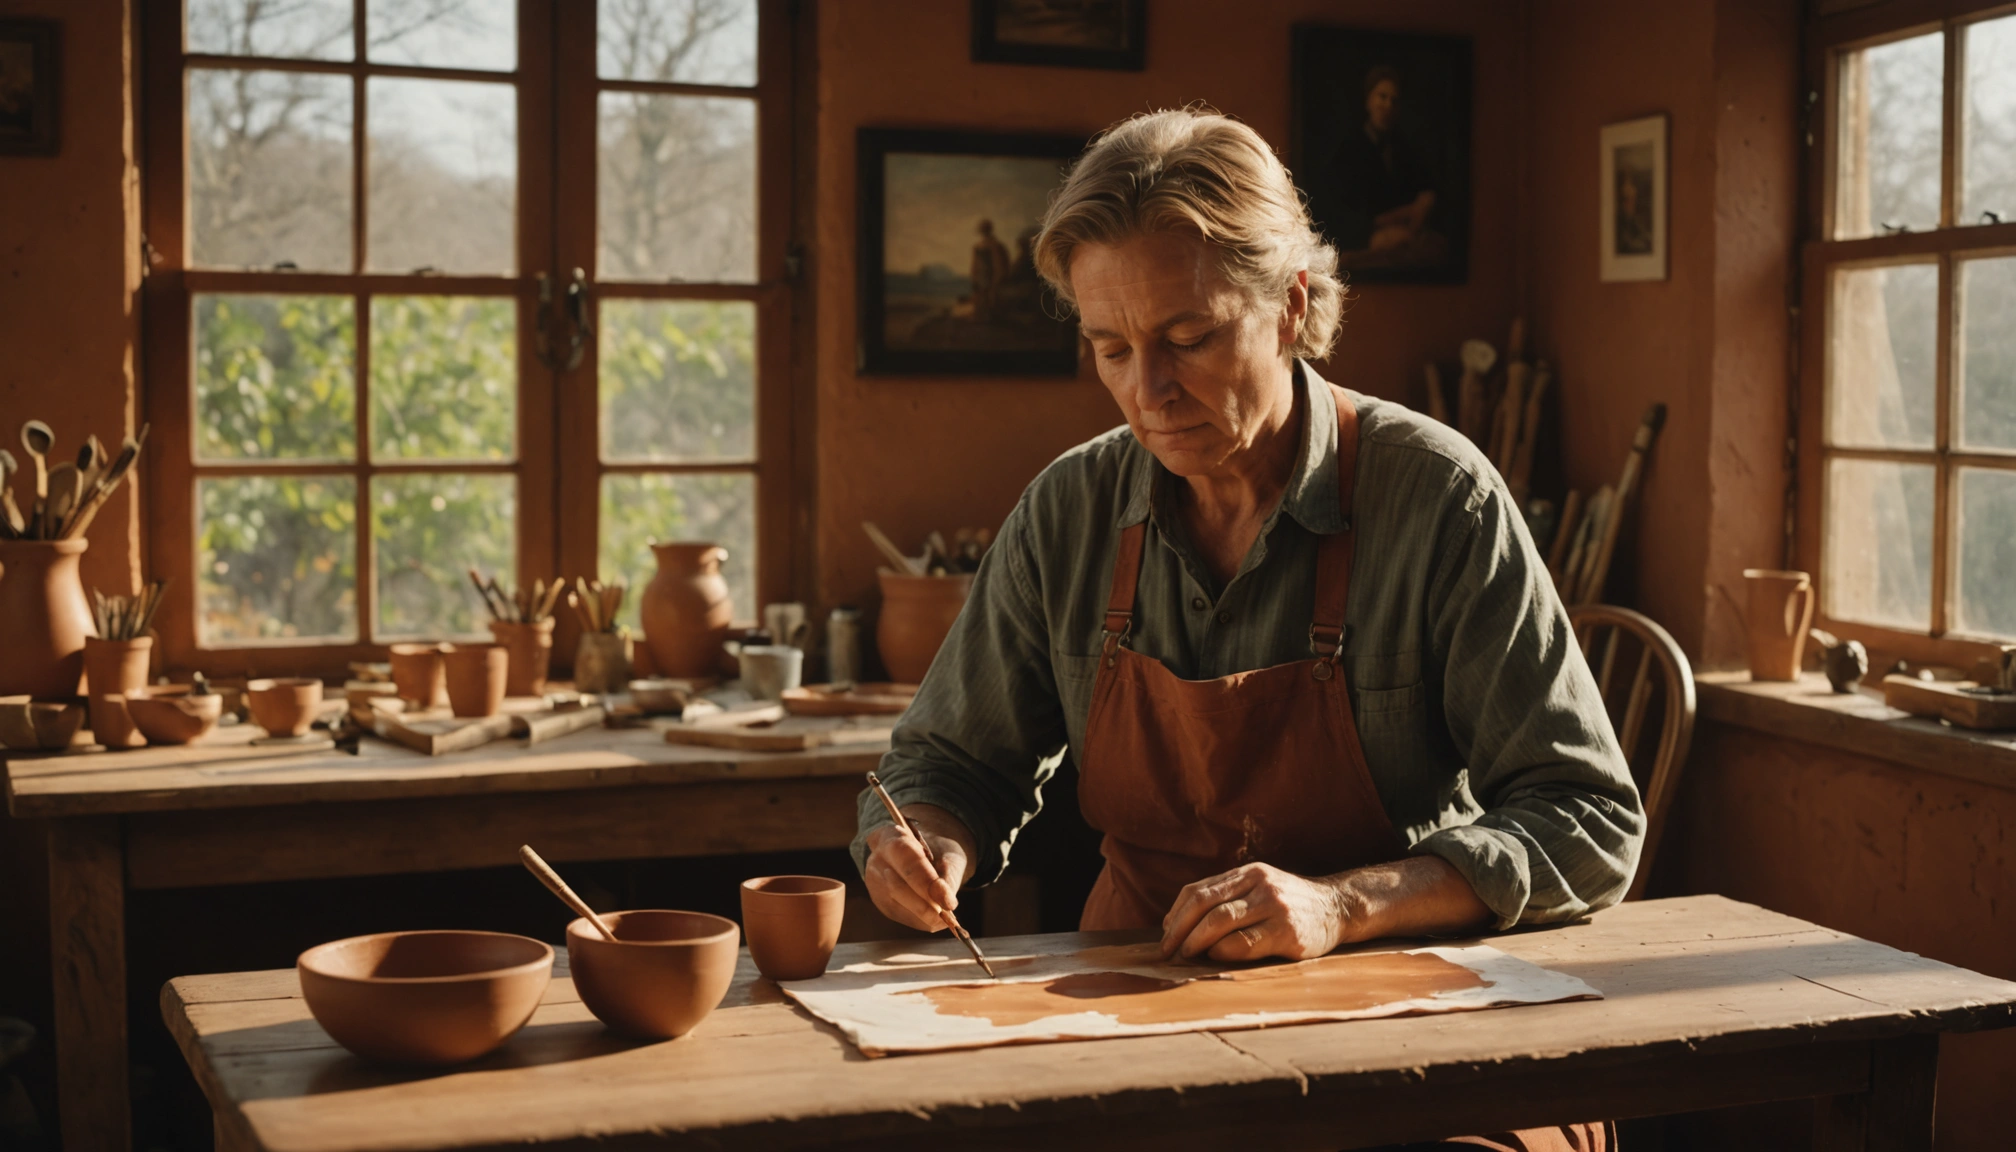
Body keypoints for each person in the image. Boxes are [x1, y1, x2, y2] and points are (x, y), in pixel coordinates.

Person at [853, 108, 1639, 1151]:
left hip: (1408, 1027)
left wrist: (1344, 908)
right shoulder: (1070, 510)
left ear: (1291, 306)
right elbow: (947, 763)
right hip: (1135, 1017)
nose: (1149, 392)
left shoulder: (1437, 497)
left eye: (1188, 339)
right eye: (1112, 349)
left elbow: (1588, 818)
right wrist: (926, 843)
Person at [1330, 65, 1446, 269]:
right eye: (1382, 97)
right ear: (1368, 100)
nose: (1388, 105)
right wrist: (1395, 217)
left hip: (1401, 232)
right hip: (1363, 237)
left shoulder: (1402, 149)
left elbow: (1422, 191)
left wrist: (1422, 203)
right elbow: (1343, 212)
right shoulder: (1350, 149)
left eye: (1394, 100)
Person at [970, 218, 1011, 321]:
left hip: (992, 275)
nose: (984, 231)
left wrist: (998, 277)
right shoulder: (977, 246)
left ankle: (991, 317)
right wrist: (974, 276)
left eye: (985, 228)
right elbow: (975, 264)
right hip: (981, 276)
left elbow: (999, 263)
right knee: (981, 297)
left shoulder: (996, 245)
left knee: (992, 297)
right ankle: (982, 316)